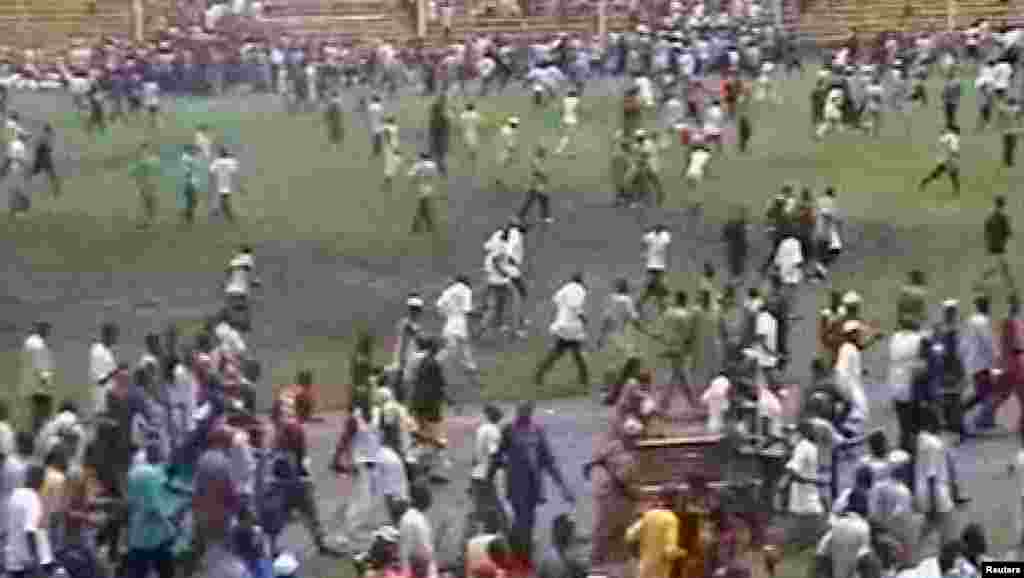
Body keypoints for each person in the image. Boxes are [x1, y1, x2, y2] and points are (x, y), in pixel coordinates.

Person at [488, 401, 575, 556]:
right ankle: (521, 554)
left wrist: (563, 486)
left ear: (531, 412)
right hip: (516, 484)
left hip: (533, 485)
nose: (522, 414)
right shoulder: (509, 430)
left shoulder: (537, 431)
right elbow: (498, 456)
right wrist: (490, 476)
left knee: (528, 520)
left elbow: (548, 460)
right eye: (520, 411)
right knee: (523, 520)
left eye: (526, 411)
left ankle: (518, 552)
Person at [535, 273, 590, 389]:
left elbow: (556, 299)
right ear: (580, 281)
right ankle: (584, 379)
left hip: (562, 325)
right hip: (572, 327)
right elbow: (576, 306)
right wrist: (583, 318)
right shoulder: (579, 290)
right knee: (577, 354)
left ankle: (539, 374)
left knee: (558, 353)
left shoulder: (565, 288)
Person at [625, 486, 686, 578]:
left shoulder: (648, 515)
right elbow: (669, 551)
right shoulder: (671, 519)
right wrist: (683, 553)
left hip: (643, 570)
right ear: (675, 500)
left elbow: (629, 535)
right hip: (659, 573)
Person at [784, 421, 826, 552]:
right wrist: (812, 481)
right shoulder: (804, 447)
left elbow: (791, 470)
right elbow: (792, 472)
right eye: (814, 430)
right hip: (805, 505)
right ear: (807, 432)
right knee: (816, 539)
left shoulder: (809, 447)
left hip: (805, 503)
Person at [5, 465, 51, 578]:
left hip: (12, 558)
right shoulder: (33, 499)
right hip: (26, 562)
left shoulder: (15, 494)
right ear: (39, 480)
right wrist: (34, 559)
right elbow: (30, 531)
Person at [980, 195, 1014, 292]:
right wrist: (1007, 235)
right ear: (1003, 204)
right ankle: (980, 281)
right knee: (998, 267)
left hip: (992, 245)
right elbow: (1008, 232)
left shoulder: (990, 215)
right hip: (999, 246)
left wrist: (989, 240)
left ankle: (1009, 284)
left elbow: (986, 228)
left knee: (1001, 266)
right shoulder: (1003, 217)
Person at [536, 514, 585, 578]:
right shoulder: (549, 559)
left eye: (571, 529)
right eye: (569, 529)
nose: (572, 533)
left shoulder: (574, 558)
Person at [918, 125, 961, 197]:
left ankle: (924, 182)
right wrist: (956, 154)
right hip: (950, 159)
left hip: (944, 158)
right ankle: (957, 191)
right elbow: (953, 149)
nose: (959, 133)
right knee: (953, 175)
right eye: (958, 131)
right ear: (956, 131)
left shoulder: (947, 136)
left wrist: (942, 134)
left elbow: (941, 140)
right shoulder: (954, 137)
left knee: (939, 172)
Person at [638, 225, 671, 315]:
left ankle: (660, 308)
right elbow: (643, 241)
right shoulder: (651, 236)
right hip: (652, 267)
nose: (658, 230)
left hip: (659, 268)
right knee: (655, 289)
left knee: (655, 289)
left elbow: (667, 239)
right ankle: (660, 308)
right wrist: (644, 253)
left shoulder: (664, 236)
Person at [409, 152, 440, 235]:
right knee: (423, 208)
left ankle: (417, 226)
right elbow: (435, 176)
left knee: (422, 208)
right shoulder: (433, 165)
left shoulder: (419, 165)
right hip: (429, 189)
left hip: (421, 189)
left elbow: (411, 176)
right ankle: (427, 225)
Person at [130, 143, 160, 229]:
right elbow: (134, 172)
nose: (143, 152)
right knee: (145, 203)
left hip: (150, 185)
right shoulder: (143, 161)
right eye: (142, 151)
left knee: (149, 203)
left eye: (144, 150)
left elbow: (135, 171)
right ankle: (146, 220)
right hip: (144, 185)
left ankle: (148, 220)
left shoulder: (149, 160)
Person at [209, 146, 242, 222]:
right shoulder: (230, 161)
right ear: (226, 154)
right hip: (227, 183)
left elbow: (211, 171)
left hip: (219, 182)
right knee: (224, 198)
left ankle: (216, 210)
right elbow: (234, 171)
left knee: (221, 197)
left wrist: (211, 181)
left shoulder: (216, 161)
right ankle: (226, 213)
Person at [30, 124, 60, 198]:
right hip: (45, 157)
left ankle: (56, 190)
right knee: (51, 175)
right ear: (48, 130)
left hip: (40, 157)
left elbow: (36, 146)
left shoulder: (42, 136)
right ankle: (56, 190)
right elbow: (50, 148)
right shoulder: (48, 137)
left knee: (34, 172)